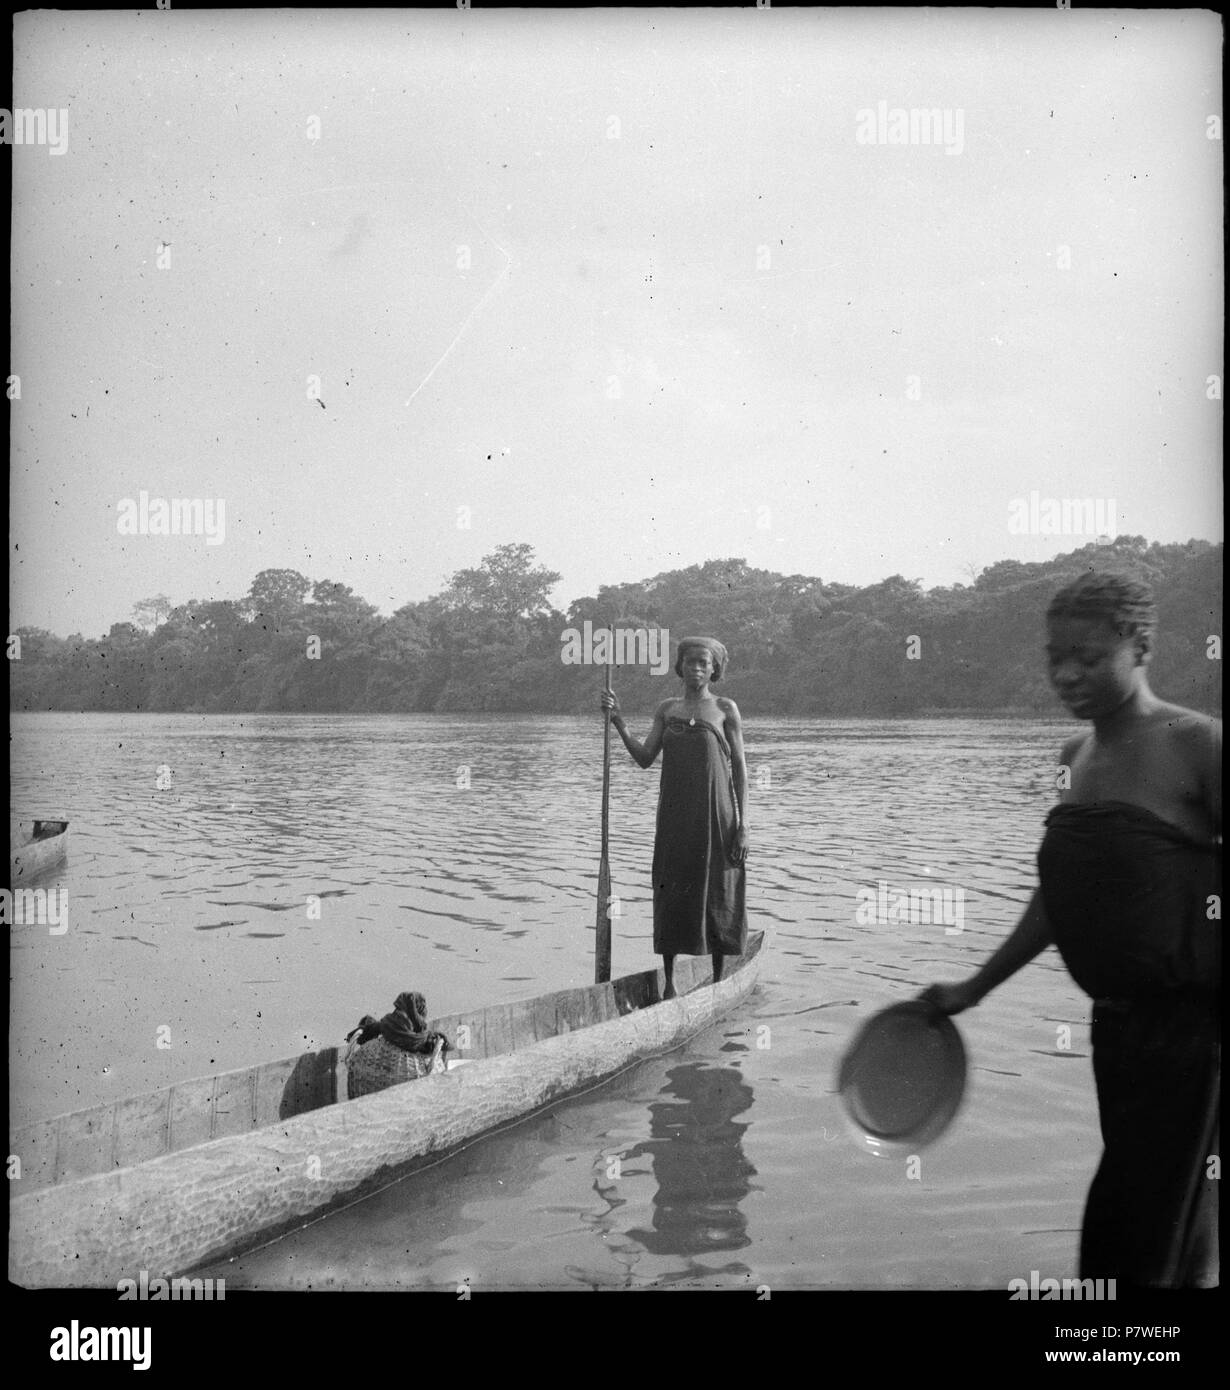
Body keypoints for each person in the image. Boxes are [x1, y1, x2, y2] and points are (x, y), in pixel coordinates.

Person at [922, 571, 1220, 1288]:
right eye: (1056, 656)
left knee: (1165, 1241)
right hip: (1117, 1036)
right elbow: (1060, 898)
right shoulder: (1074, 761)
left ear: (1140, 646)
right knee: (1133, 1227)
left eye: (1088, 657)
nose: (1066, 673)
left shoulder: (1197, 746)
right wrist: (974, 989)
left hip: (1198, 1035)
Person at [602, 635, 748, 999]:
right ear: (679, 666)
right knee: (671, 891)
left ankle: (717, 982)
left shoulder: (725, 709)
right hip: (674, 821)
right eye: (690, 662)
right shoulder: (667, 709)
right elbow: (645, 757)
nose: (696, 668)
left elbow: (741, 770)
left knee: (718, 890)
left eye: (704, 663)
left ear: (715, 669)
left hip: (718, 819)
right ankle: (669, 984)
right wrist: (618, 721)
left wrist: (743, 827)